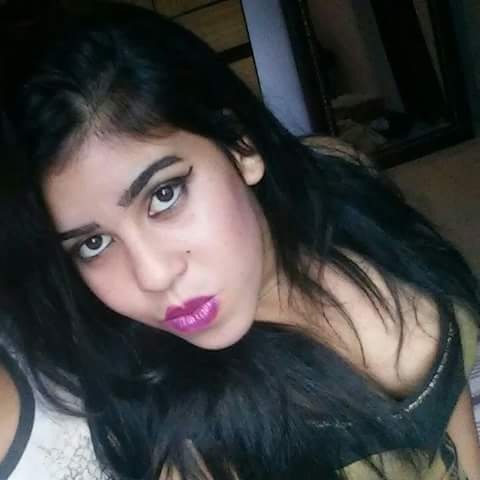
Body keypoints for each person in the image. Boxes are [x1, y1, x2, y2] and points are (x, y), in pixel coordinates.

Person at [0, 4, 479, 479]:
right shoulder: (197, 448)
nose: (154, 275)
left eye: (164, 195)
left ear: (240, 145)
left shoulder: (341, 181)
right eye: (93, 244)